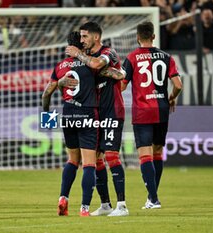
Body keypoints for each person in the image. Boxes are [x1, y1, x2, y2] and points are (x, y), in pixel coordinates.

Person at [42, 31, 124, 217]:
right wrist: (118, 73)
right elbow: (115, 75)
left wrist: (47, 117)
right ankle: (84, 208)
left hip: (68, 115)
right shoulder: (90, 65)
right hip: (87, 114)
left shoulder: (60, 67)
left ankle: (63, 198)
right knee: (89, 163)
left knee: (72, 160)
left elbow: (45, 95)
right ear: (81, 44)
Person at [65, 21, 128, 216]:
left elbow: (98, 65)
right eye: (81, 37)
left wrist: (77, 54)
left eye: (85, 36)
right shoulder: (86, 58)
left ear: (96, 37)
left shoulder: (109, 53)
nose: (82, 40)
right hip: (94, 113)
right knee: (97, 160)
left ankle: (122, 206)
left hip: (112, 111)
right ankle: (105, 204)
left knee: (111, 156)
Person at [121, 21, 182, 209]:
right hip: (162, 109)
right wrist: (171, 98)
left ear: (137, 37)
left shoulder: (131, 58)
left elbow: (122, 85)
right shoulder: (166, 57)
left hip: (142, 110)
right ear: (153, 36)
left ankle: (153, 199)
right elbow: (178, 85)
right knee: (157, 152)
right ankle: (152, 197)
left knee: (144, 154)